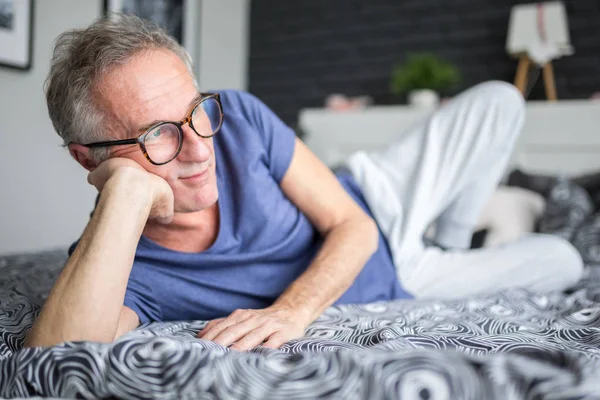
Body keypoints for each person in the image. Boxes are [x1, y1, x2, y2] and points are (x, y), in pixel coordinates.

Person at [24, 15, 583, 351]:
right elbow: (54, 356)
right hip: (407, 278)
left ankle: (456, 234)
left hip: (374, 199)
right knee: (565, 261)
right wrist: (124, 192)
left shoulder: (235, 116)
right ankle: (457, 242)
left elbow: (350, 224)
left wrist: (292, 311)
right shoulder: (125, 271)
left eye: (196, 111)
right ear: (87, 159)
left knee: (501, 101)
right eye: (156, 135)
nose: (200, 149)